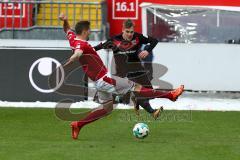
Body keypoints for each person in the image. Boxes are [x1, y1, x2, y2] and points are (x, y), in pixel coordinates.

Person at [59, 13, 184, 140]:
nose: (90, 32)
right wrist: (66, 64)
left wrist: (65, 20)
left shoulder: (72, 38)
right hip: (104, 79)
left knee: (107, 108)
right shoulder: (81, 44)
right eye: (89, 30)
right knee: (137, 88)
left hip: (100, 80)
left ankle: (78, 125)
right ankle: (170, 95)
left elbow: (67, 29)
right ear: (85, 31)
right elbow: (78, 53)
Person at [94, 19, 159, 117]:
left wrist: (147, 50)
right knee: (136, 91)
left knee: (149, 94)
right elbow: (96, 48)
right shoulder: (114, 40)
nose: (130, 34)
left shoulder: (138, 37)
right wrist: (83, 51)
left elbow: (154, 41)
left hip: (138, 71)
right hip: (124, 74)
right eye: (127, 31)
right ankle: (152, 112)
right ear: (123, 30)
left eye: (131, 32)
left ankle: (131, 99)